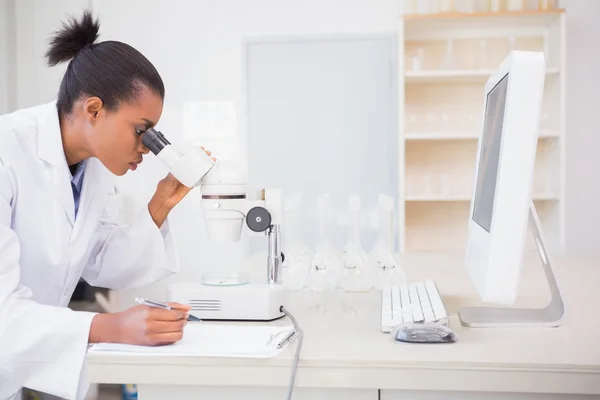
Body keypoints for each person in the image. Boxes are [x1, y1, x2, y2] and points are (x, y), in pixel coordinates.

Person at [0, 10, 213, 400]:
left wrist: (160, 205)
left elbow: (102, 262)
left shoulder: (90, 170)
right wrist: (110, 327)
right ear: (94, 110)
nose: (146, 148)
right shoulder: (6, 152)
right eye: (141, 131)